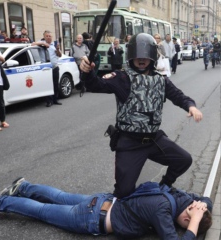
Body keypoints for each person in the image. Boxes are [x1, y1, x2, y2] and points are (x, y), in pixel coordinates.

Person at [80, 33, 203, 198]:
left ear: (152, 57)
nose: (141, 59)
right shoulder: (122, 77)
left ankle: (164, 186)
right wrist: (88, 72)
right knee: (123, 192)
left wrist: (191, 106)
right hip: (130, 143)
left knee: (184, 160)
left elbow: (179, 96)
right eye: (138, 55)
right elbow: (96, 85)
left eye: (145, 55)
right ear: (131, 56)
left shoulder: (161, 81)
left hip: (154, 140)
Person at [0, 177, 212, 239]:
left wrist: (202, 206)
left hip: (102, 201)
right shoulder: (163, 212)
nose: (180, 227)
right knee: (42, 212)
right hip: (93, 218)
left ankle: (23, 186)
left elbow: (205, 199)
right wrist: (193, 224)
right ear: (188, 214)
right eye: (184, 223)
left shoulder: (177, 195)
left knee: (59, 195)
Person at [32, 30, 62, 107]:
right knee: (48, 84)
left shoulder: (54, 44)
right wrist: (43, 43)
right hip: (46, 69)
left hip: (55, 67)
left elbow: (59, 55)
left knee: (55, 84)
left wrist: (58, 49)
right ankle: (49, 101)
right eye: (47, 36)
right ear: (44, 37)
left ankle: (55, 99)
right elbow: (32, 44)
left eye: (50, 36)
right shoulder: (41, 44)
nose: (48, 37)